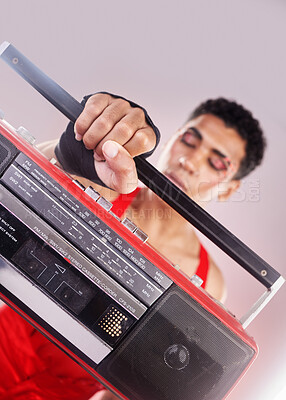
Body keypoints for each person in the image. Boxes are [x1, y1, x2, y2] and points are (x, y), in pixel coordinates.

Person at [0, 93, 266, 400]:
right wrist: (68, 152)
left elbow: (140, 383)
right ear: (172, 139)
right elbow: (24, 176)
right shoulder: (102, 182)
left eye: (216, 162)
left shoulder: (210, 284)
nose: (188, 161)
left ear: (229, 187)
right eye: (190, 140)